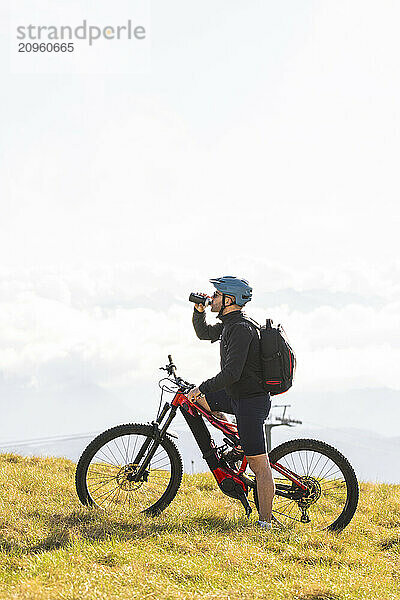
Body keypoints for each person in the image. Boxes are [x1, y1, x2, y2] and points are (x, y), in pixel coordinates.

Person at [187, 276, 276, 529]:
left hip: (251, 403)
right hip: (236, 396)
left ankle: (265, 524)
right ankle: (238, 444)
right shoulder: (230, 324)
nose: (211, 298)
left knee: (260, 466)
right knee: (200, 403)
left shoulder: (241, 329)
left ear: (229, 300)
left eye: (216, 295)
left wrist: (201, 387)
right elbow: (204, 334)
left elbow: (231, 374)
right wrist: (198, 310)